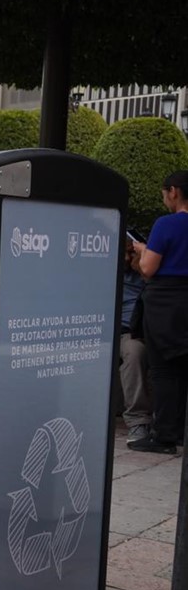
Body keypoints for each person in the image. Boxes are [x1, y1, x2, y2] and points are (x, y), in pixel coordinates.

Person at [128, 170, 188, 453]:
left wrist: (142, 250)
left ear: (173, 191)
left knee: (164, 370)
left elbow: (148, 268)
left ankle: (164, 436)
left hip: (166, 302)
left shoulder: (166, 224)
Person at [118, 242, 151, 442]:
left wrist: (140, 262)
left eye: (130, 252)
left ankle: (139, 420)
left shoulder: (141, 274)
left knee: (135, 352)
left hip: (132, 331)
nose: (126, 258)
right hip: (101, 329)